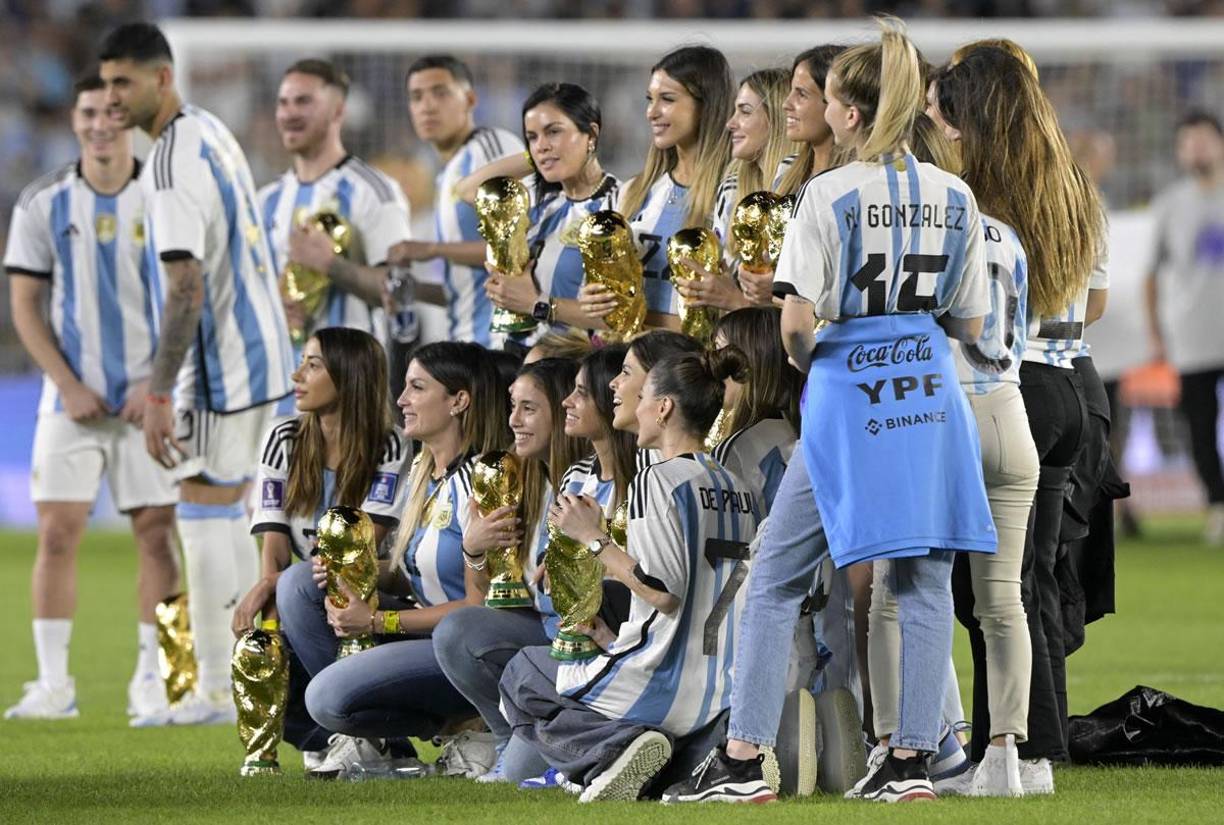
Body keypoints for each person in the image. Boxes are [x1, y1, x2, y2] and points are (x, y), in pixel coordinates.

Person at [666, 18, 993, 804]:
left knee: (775, 573)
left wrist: (830, 363)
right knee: (922, 581)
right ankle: (913, 760)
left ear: (850, 113)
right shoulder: (955, 194)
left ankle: (742, 761)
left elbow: (797, 324)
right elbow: (972, 325)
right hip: (929, 393)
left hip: (850, 397)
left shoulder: (830, 191)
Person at [99, 22, 295, 726]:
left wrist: (158, 391)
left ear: (162, 77)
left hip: (221, 363)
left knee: (202, 508)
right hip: (260, 351)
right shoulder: (208, 128)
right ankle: (244, 671)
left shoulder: (171, 160)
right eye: (105, 82)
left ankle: (214, 685)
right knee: (238, 513)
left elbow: (185, 286)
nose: (112, 97)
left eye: (125, 82)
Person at [499, 348, 759, 802]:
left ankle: (615, 749)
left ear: (664, 408)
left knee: (521, 674)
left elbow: (662, 592)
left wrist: (593, 539)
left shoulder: (656, 480)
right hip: (721, 686)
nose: (634, 406)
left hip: (660, 678)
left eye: (643, 398)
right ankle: (688, 758)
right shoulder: (738, 486)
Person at [3, 75, 178, 722]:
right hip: (67, 401)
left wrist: (155, 381)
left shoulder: (163, 199)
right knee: (55, 533)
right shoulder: (43, 200)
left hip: (149, 397)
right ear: (72, 121)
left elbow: (190, 294)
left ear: (128, 117)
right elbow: (24, 304)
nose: (100, 123)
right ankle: (53, 684)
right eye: (88, 113)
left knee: (158, 535)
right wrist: (69, 383)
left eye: (111, 111)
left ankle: (157, 679)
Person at [276, 341, 509, 779]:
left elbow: (481, 610)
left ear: (459, 401)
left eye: (417, 388)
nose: (401, 400)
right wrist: (352, 573)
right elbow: (413, 574)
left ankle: (473, 724)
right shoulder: (424, 470)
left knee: (328, 699)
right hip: (426, 633)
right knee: (301, 583)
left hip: (466, 649)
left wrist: (377, 622)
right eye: (404, 387)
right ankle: (373, 742)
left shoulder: (486, 480)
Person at [232, 327, 409, 763]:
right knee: (263, 643)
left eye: (313, 365)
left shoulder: (390, 444)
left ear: (349, 376)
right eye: (302, 362)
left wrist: (279, 584)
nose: (298, 374)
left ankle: (363, 734)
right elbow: (273, 546)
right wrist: (268, 611)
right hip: (304, 595)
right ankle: (343, 741)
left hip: (375, 597)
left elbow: (359, 554)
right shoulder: (283, 439)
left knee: (297, 585)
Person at [433, 357, 585, 783]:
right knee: (457, 631)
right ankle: (506, 738)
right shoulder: (521, 481)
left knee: (521, 774)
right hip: (540, 641)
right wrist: (474, 549)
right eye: (512, 407)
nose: (514, 420)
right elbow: (486, 600)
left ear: (563, 410)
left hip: (582, 651)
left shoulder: (588, 484)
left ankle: (554, 738)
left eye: (529, 409)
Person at [257, 58, 412, 377]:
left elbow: (400, 291)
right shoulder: (266, 201)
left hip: (349, 390)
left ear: (338, 111)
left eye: (304, 101)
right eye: (283, 103)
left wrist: (330, 265)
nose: (289, 113)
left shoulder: (375, 191)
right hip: (277, 390)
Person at [579, 46, 734, 330]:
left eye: (667, 99)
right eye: (650, 99)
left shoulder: (732, 196)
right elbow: (602, 307)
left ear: (707, 105)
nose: (652, 112)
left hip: (688, 365)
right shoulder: (633, 192)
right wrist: (593, 300)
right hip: (628, 360)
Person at [454, 83, 620, 346]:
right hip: (517, 356)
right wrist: (542, 155)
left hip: (570, 369)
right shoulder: (543, 204)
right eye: (532, 136)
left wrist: (537, 305)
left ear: (591, 134)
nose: (541, 144)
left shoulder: (619, 206)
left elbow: (617, 314)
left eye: (553, 132)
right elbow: (467, 190)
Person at [391, 55, 524, 348]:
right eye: (416, 97)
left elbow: (519, 248)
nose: (427, 105)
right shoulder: (447, 174)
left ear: (470, 99)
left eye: (440, 93)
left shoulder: (490, 150)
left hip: (503, 345)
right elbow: (468, 288)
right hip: (470, 344)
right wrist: (417, 291)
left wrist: (431, 249)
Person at [1145, 110, 1224, 544]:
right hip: (1193, 337)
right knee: (1199, 426)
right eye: (1188, 142)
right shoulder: (1170, 205)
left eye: (1204, 140)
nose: (1196, 149)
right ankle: (1217, 504)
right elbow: (1150, 275)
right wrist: (1156, 332)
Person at [676, 69, 794, 314]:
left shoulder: (802, 194)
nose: (731, 123)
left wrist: (735, 300)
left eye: (745, 111)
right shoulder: (731, 189)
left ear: (777, 120)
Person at [738, 45, 847, 309]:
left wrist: (782, 291)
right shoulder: (786, 172)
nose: (787, 105)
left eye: (801, 94)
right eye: (790, 92)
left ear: (834, 101)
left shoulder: (854, 183)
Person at [709, 307, 801, 514]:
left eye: (719, 351)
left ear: (752, 361)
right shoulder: (796, 432)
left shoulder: (738, 449)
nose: (713, 366)